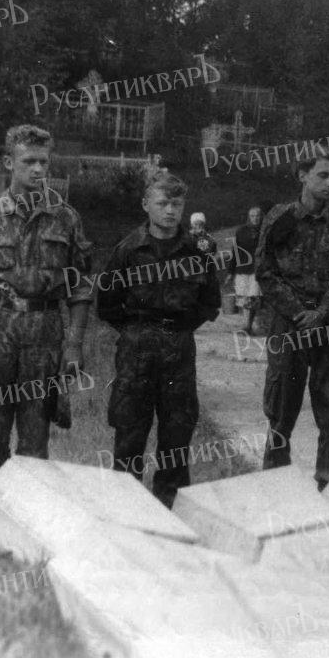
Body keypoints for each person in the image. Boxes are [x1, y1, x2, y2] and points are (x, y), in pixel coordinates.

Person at [0, 125, 93, 483]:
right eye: (29, 161)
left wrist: (74, 346)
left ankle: (30, 512)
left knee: (35, 443)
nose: (38, 169)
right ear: (8, 163)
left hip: (44, 336)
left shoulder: (65, 218)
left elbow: (80, 288)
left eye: (43, 162)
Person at [96, 168, 221, 507]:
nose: (170, 210)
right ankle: (127, 512)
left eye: (176, 204)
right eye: (162, 203)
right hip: (136, 352)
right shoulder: (128, 250)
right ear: (145, 205)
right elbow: (107, 303)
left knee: (177, 437)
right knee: (129, 436)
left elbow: (210, 303)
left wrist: (178, 327)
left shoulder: (197, 252)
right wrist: (137, 329)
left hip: (179, 351)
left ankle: (170, 509)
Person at [256, 152, 329, 490]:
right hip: (290, 326)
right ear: (302, 175)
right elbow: (265, 271)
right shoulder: (280, 219)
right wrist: (297, 312)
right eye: (322, 175)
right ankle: (276, 485)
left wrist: (322, 313)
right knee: (281, 408)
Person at [230, 205, 264, 335]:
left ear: (261, 217)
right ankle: (246, 326)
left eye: (258, 216)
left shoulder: (265, 231)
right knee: (243, 297)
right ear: (249, 217)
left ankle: (247, 325)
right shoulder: (241, 231)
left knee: (253, 297)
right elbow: (235, 251)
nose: (255, 218)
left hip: (257, 269)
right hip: (242, 269)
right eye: (252, 216)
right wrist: (230, 271)